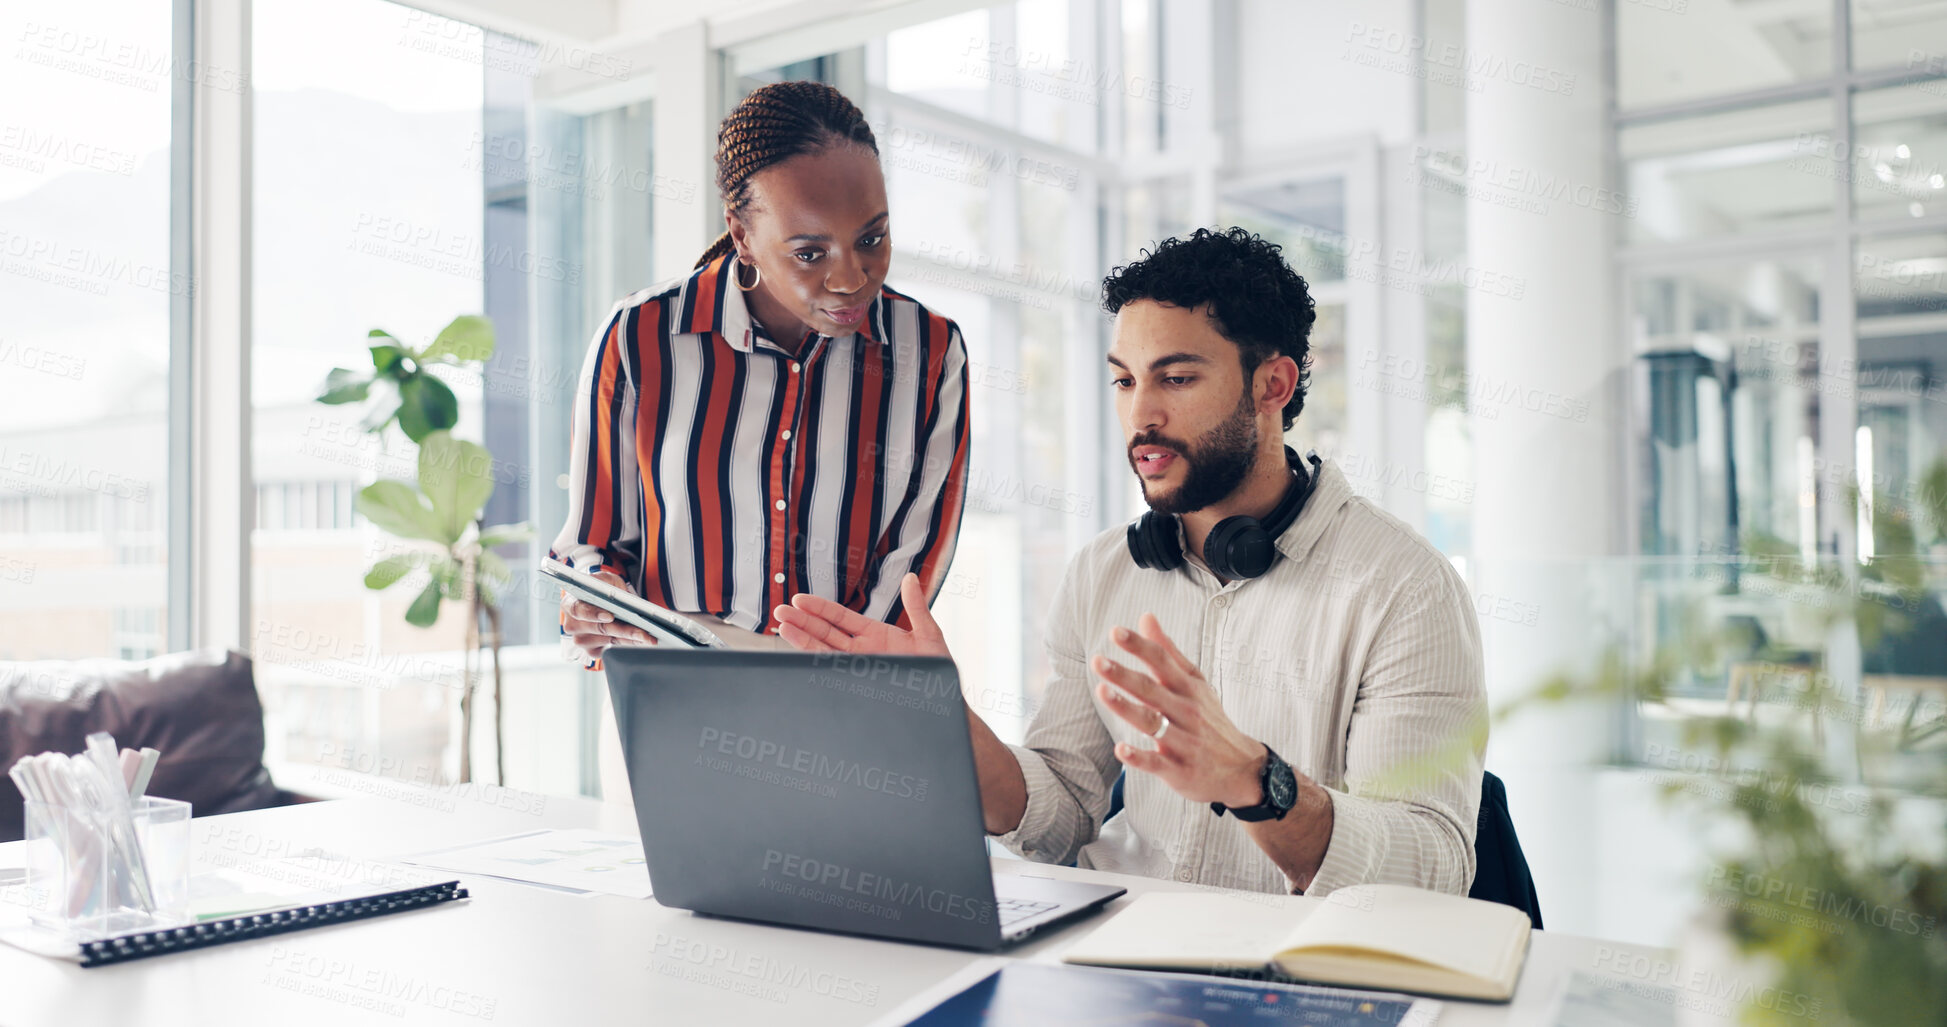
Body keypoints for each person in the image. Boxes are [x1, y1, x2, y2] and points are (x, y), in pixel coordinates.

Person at [774, 227, 1487, 897]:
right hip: (1114, 964)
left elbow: (1431, 867)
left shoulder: (1405, 587)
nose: (1140, 414)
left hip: (1293, 979)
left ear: (1272, 386)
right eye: (1123, 381)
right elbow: (1059, 817)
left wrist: (1255, 780)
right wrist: (944, 722)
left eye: (1175, 379)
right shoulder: (1102, 572)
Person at [550, 80, 971, 669]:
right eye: (809, 252)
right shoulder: (639, 337)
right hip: (671, 681)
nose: (851, 279)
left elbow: (914, 562)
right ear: (743, 235)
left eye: (872, 238)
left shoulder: (930, 353)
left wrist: (847, 681)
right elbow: (590, 545)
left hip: (846, 691)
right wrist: (597, 602)